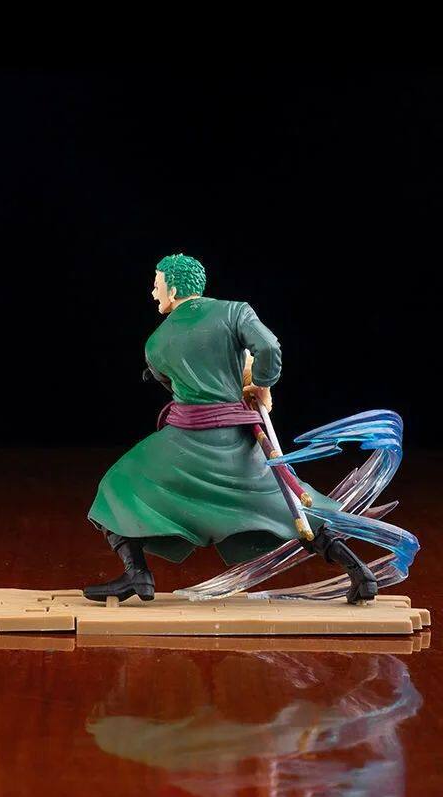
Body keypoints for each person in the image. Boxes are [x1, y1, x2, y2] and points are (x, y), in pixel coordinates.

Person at [83, 253, 376, 604]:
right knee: (290, 505)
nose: (153, 292)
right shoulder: (236, 311)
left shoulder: (156, 343)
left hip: (183, 446)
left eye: (157, 285)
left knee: (118, 485)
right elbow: (268, 347)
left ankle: (137, 573)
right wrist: (262, 385)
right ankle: (360, 572)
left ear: (173, 290)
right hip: (235, 443)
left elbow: (172, 383)